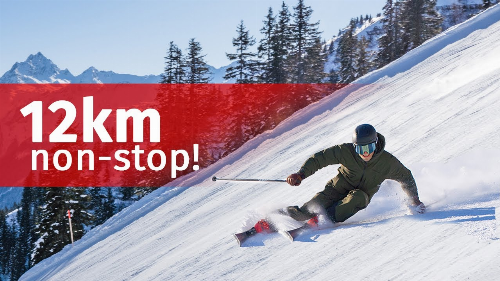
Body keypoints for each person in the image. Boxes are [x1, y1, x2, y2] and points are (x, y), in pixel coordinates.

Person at [254, 124, 425, 233]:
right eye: (361, 149)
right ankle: (274, 217)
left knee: (358, 197)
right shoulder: (346, 151)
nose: (365, 153)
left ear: (376, 143)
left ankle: (324, 219)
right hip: (336, 189)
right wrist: (301, 174)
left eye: (370, 147)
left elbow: (405, 177)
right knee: (305, 213)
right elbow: (320, 158)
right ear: (355, 147)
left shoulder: (387, 162)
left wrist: (414, 199)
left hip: (360, 196)